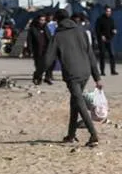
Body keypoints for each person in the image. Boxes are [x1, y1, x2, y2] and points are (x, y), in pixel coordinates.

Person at [44, 9, 103, 147]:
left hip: (72, 74)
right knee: (75, 102)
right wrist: (97, 77)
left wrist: (39, 73)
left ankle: (93, 134)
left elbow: (48, 59)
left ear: (57, 20)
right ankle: (71, 134)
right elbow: (91, 55)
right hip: (85, 72)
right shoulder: (81, 31)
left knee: (79, 102)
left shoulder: (58, 35)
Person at [27, 15, 53, 85]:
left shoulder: (46, 28)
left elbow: (49, 38)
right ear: (37, 20)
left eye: (44, 20)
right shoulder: (32, 29)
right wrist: (30, 50)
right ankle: (38, 78)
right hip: (37, 50)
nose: (42, 21)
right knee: (39, 65)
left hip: (46, 50)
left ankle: (48, 77)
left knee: (48, 64)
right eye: (41, 20)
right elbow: (29, 41)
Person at [93, 6, 118, 76]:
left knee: (112, 55)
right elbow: (97, 29)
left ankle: (113, 70)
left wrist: (114, 31)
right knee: (102, 55)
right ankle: (102, 71)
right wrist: (101, 36)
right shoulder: (100, 19)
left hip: (109, 39)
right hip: (102, 40)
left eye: (109, 11)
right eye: (107, 11)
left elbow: (114, 27)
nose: (108, 13)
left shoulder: (111, 19)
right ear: (105, 11)